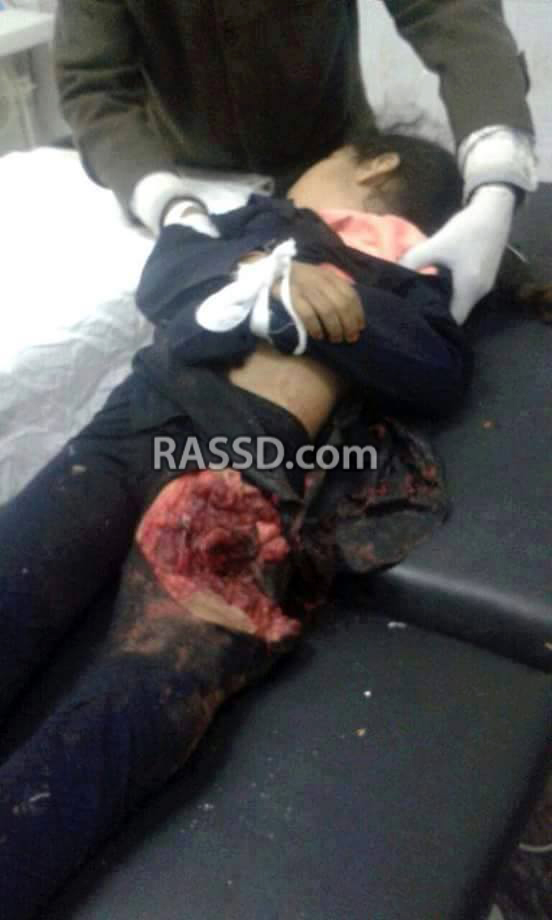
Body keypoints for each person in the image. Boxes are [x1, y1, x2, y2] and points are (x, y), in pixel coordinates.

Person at [0, 130, 470, 919]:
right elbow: (166, 277)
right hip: (143, 427)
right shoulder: (255, 223)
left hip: (255, 480)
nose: (300, 172)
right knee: (13, 583)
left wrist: (322, 305)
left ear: (376, 161)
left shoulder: (418, 276)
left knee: (147, 696)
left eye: (323, 159)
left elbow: (436, 371)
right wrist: (268, 276)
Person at [54, 0, 538, 324]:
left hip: (330, 163)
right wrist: (167, 203)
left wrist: (496, 180)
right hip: (191, 179)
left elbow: (451, 13)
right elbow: (94, 86)